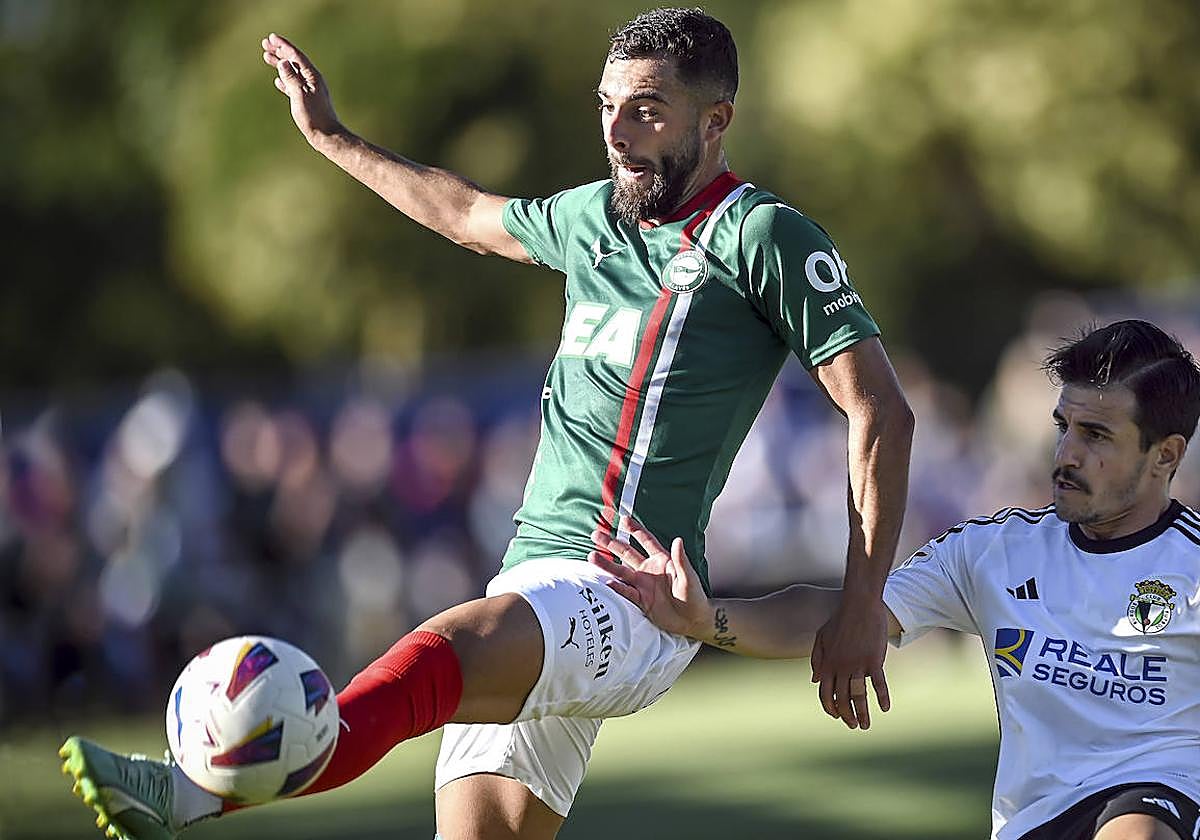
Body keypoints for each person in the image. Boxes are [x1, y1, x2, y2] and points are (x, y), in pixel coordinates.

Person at [58, 8, 914, 840]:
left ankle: (185, 792)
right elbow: (464, 214)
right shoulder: (592, 220)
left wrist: (859, 607)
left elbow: (879, 410)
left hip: (630, 597)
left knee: (446, 648)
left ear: (716, 119)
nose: (617, 133)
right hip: (534, 576)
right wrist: (332, 138)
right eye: (606, 107)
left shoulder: (764, 235)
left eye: (646, 111)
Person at [590, 319, 1200, 840]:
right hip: (1032, 821)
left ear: (1165, 456)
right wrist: (706, 618)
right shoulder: (996, 553)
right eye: (1064, 426)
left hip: (1157, 800)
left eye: (1096, 436)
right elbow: (845, 616)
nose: (1066, 453)